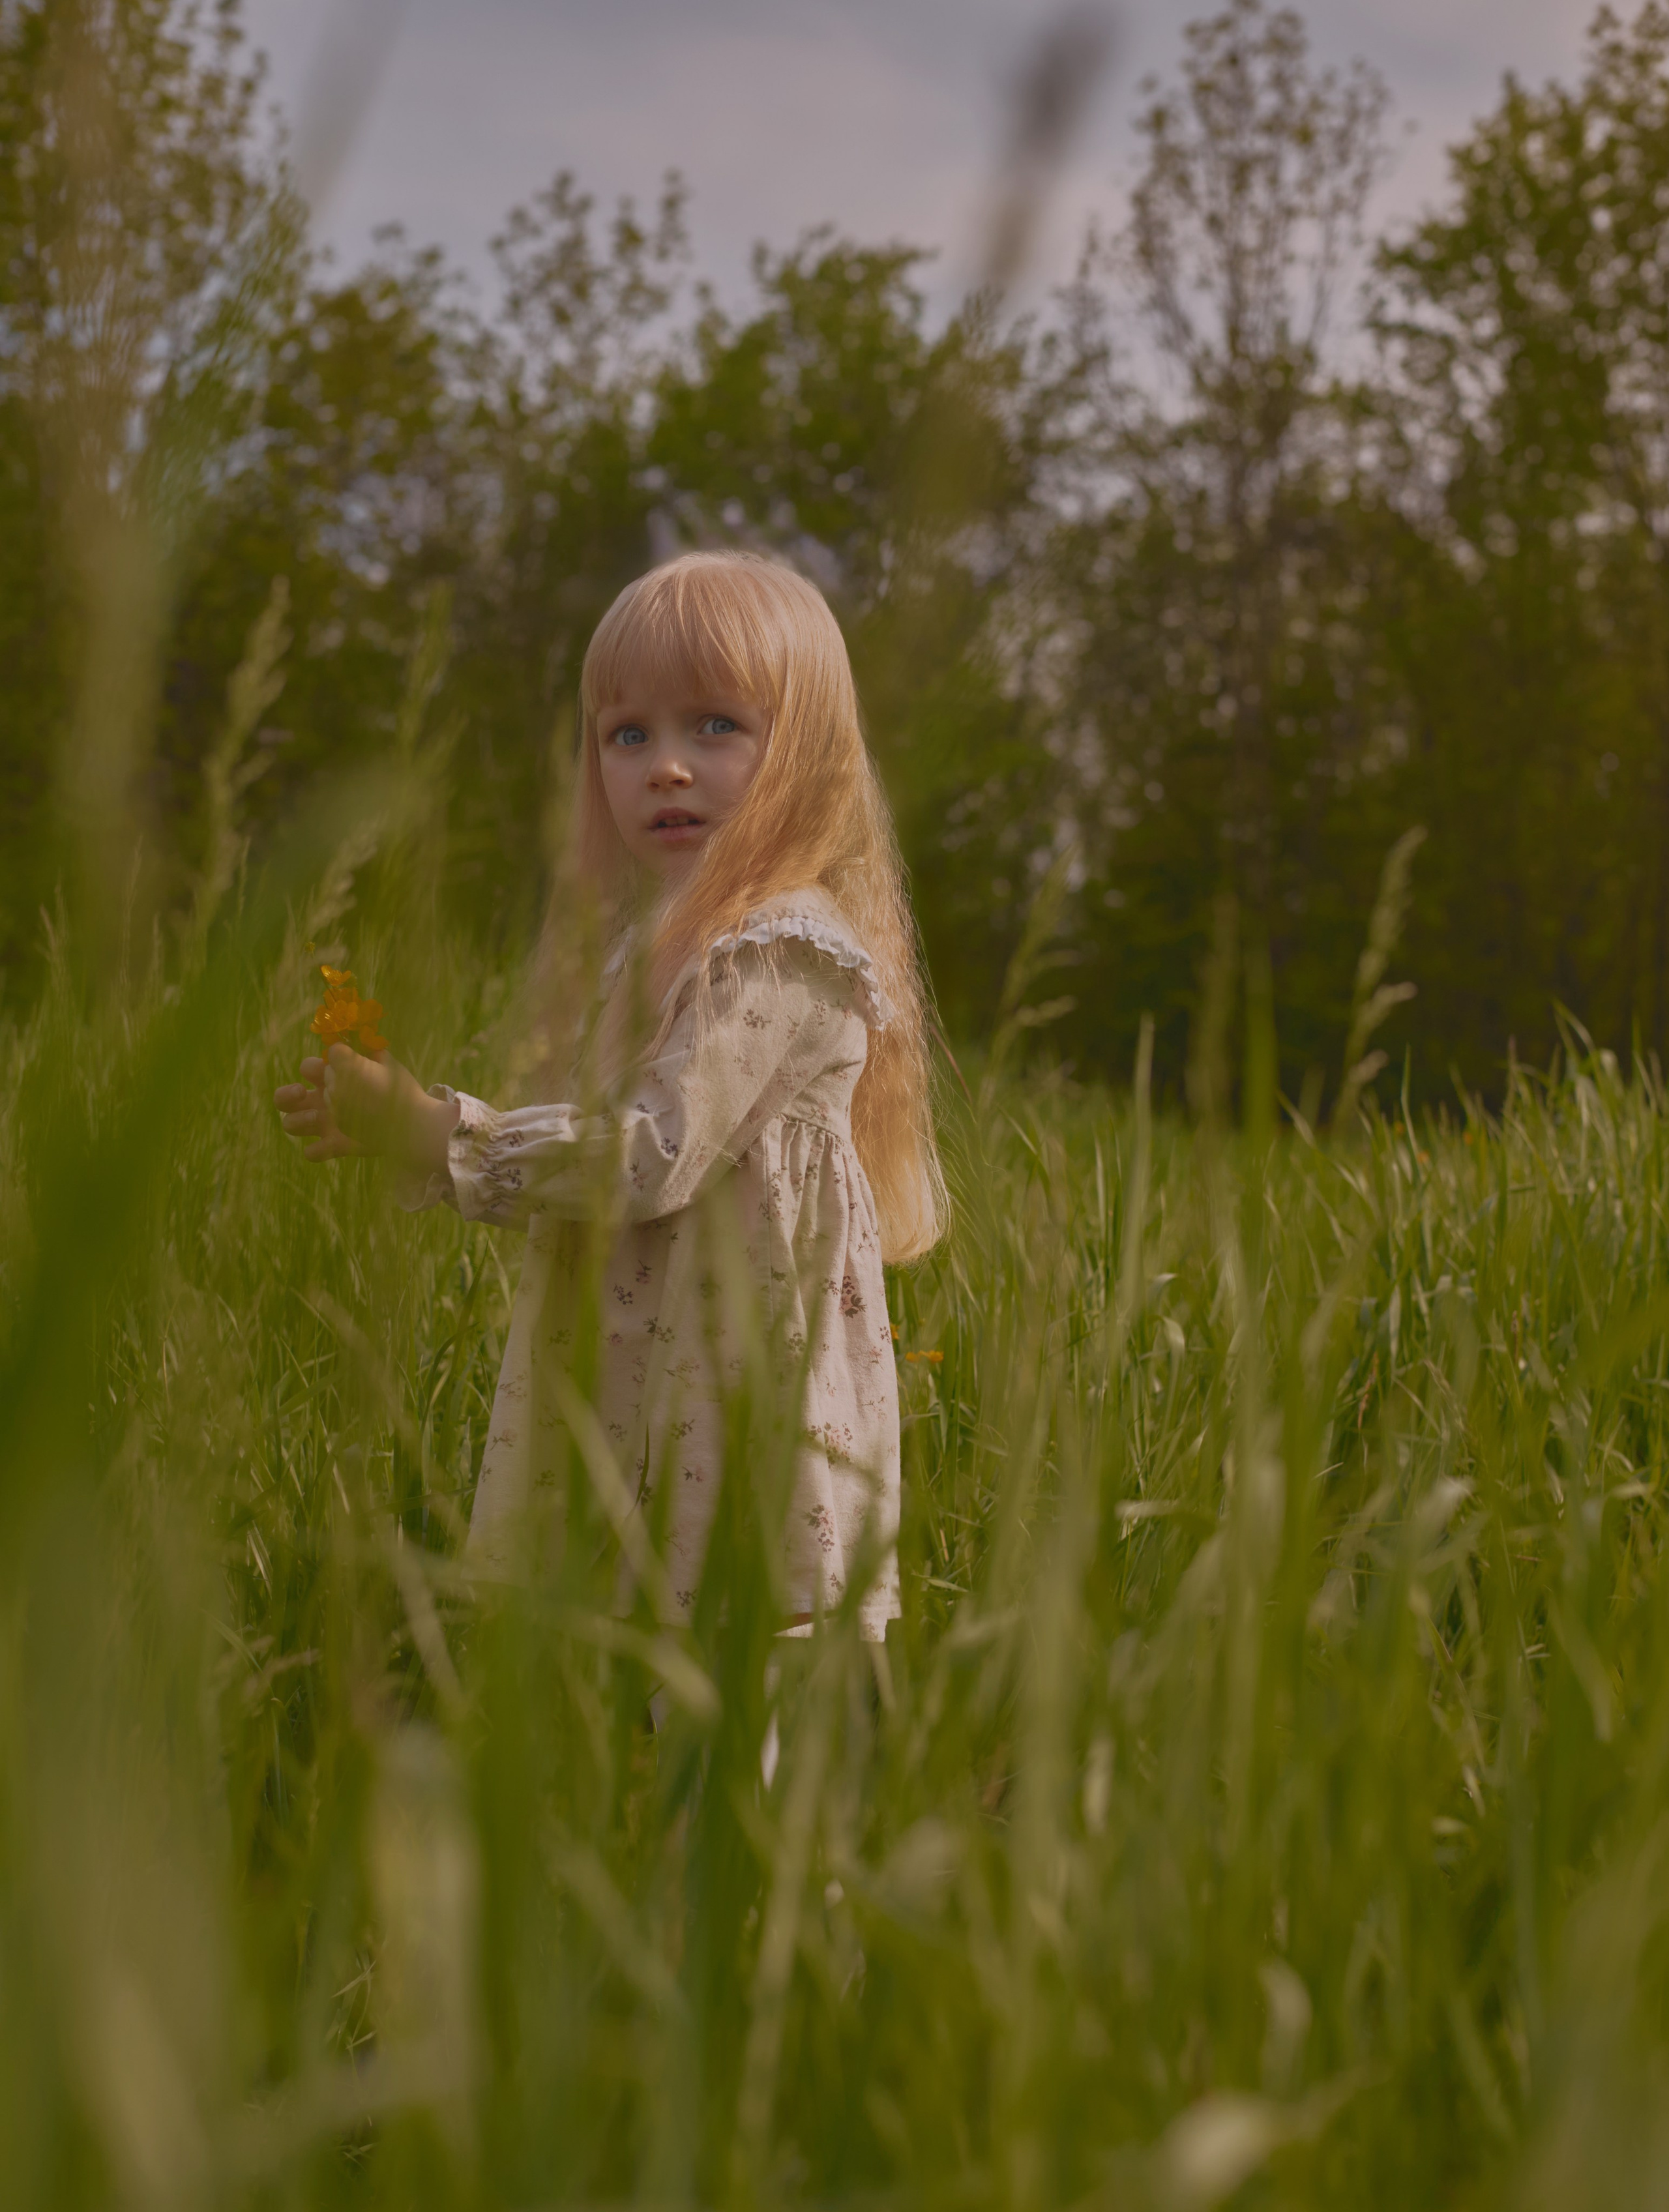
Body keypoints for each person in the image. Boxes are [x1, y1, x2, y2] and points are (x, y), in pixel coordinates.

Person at [274, 550, 943, 1642]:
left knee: (741, 1673)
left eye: (716, 726)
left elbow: (649, 1156)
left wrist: (443, 1129)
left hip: (743, 1395)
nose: (665, 768)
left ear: (808, 750)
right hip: (666, 1378)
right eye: (628, 735)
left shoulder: (780, 947)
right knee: (644, 1662)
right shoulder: (668, 941)